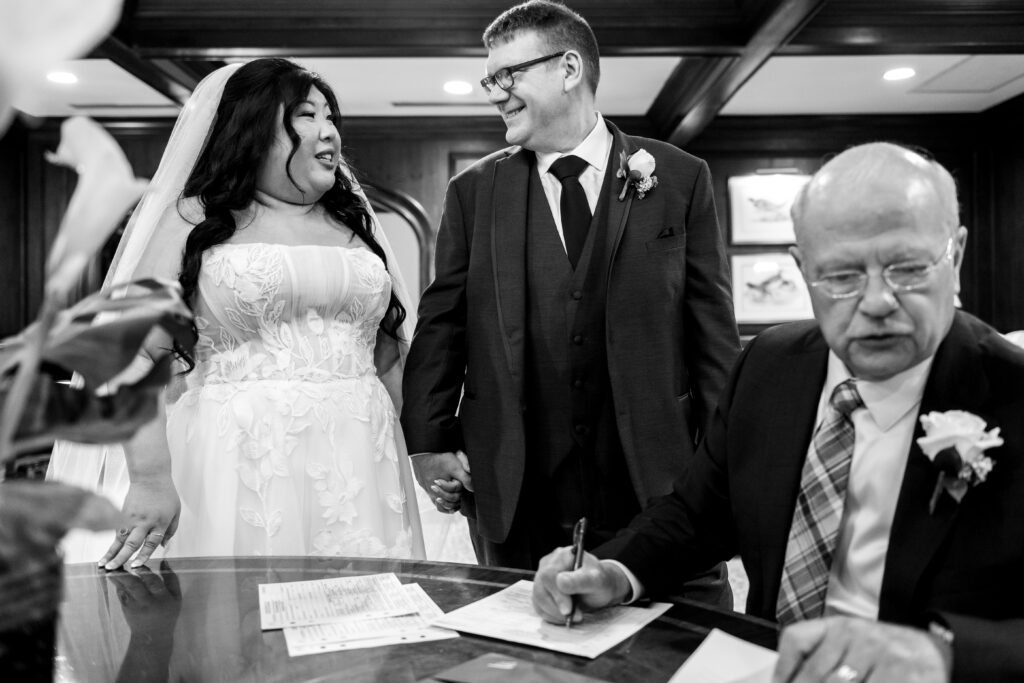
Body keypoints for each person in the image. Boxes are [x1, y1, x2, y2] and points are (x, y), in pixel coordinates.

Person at [532, 142, 1024, 682]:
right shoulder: (769, 367)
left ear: (954, 255)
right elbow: (697, 516)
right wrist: (615, 571)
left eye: (907, 268)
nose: (879, 300)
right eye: (841, 276)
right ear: (801, 269)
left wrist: (944, 656)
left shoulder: (1011, 393)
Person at [401, 0, 740, 593]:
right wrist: (429, 445)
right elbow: (442, 323)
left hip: (655, 479)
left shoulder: (679, 177)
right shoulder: (474, 192)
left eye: (508, 75)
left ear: (570, 68)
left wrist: (723, 462)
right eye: (489, 79)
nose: (495, 93)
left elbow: (712, 333)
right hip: (516, 485)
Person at [48, 58, 427, 566]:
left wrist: (428, 449)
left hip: (363, 457)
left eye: (330, 117)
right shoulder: (193, 222)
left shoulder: (354, 227)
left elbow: (386, 354)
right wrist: (151, 477)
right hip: (239, 458)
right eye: (306, 116)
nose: (329, 131)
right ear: (253, 130)